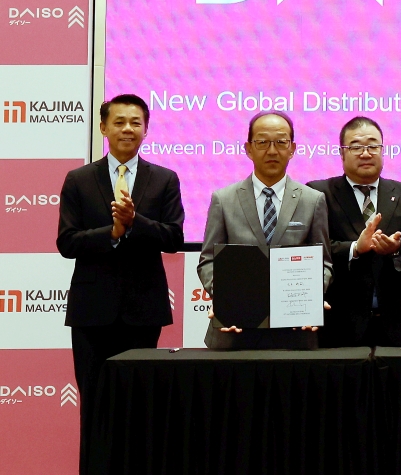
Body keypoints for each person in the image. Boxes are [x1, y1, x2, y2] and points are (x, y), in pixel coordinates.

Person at [57, 94, 184, 472]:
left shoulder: (164, 179)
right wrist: (111, 232)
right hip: (91, 314)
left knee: (140, 407)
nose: (128, 129)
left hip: (142, 312)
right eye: (119, 122)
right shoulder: (79, 179)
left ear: (146, 129)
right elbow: (67, 242)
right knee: (95, 406)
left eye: (136, 122)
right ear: (103, 127)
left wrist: (135, 223)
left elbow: (174, 238)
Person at [197, 111, 332, 349]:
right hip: (235, 332)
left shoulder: (313, 200)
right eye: (262, 142)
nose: (272, 151)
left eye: (281, 142)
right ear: (248, 148)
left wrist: (310, 296)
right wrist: (226, 299)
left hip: (294, 333)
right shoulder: (223, 199)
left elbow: (324, 263)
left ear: (293, 148)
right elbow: (208, 260)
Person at [307, 116, 401, 347]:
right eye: (356, 146)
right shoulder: (318, 194)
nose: (366, 153)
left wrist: (397, 249)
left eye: (373, 146)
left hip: (395, 321)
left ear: (382, 150)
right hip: (338, 322)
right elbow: (312, 248)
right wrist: (354, 249)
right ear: (342, 153)